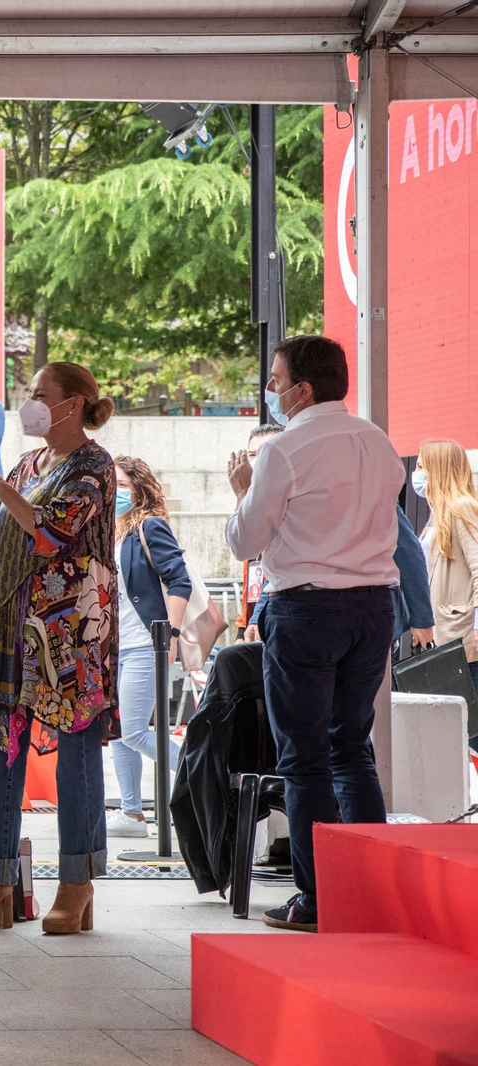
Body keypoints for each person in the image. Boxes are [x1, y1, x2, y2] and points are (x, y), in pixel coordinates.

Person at [224, 334, 403, 933]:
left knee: (303, 759)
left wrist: (243, 491)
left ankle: (319, 899)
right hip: (374, 605)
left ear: (302, 390)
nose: (270, 390)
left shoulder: (284, 448)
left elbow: (245, 540)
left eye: (275, 381)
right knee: (352, 748)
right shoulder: (377, 441)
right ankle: (372, 893)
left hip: (305, 609)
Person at [0, 360, 116, 936]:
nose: (30, 402)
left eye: (41, 393)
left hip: (71, 632)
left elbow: (49, 531)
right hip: (9, 625)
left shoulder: (93, 466)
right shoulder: (26, 464)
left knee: (76, 756)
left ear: (74, 404)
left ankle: (76, 883)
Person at [108, 456, 190, 840]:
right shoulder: (109, 533)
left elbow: (180, 582)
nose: (115, 492)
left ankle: (207, 773)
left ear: (139, 489)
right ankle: (131, 814)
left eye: (123, 485)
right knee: (118, 730)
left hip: (145, 643)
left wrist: (169, 637)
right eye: (111, 484)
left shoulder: (149, 526)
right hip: (114, 647)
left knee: (134, 731)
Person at [413, 439, 478, 750]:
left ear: (438, 468)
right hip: (442, 636)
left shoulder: (462, 508)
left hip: (462, 635)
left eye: (421, 466)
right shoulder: (436, 515)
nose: (417, 474)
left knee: (471, 728)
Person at [236, 424, 284, 640]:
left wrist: (256, 620)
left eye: (264, 454)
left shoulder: (289, 505)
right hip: (254, 627)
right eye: (252, 454)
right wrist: (243, 627)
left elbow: (274, 577)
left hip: (278, 621)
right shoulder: (253, 502)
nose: (255, 462)